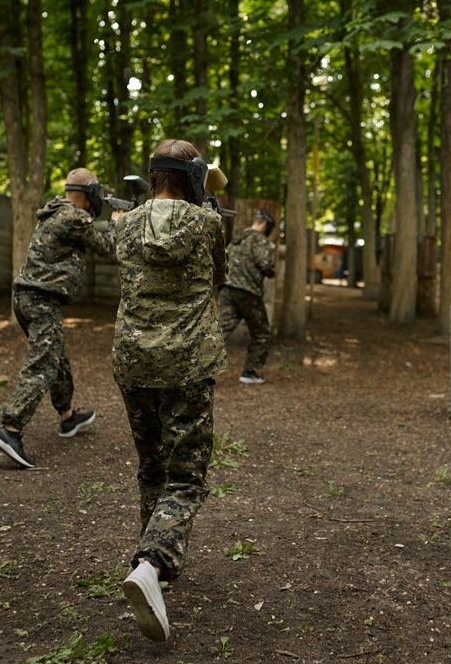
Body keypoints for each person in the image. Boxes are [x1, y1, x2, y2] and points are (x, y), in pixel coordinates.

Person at [113, 139, 228, 641]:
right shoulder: (207, 223)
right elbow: (218, 279)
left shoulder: (127, 223)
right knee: (186, 476)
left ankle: (151, 565)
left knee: (152, 465)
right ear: (193, 177)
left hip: (133, 358)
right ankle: (152, 564)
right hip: (187, 361)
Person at [0, 168, 115, 469]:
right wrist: (119, 223)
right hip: (40, 299)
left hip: (26, 298)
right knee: (43, 364)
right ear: (89, 194)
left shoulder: (55, 212)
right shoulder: (75, 217)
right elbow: (108, 247)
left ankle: (68, 417)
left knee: (56, 357)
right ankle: (11, 430)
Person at [219, 209, 277, 384]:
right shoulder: (261, 241)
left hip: (228, 290)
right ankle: (250, 372)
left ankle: (195, 368)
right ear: (266, 226)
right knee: (262, 334)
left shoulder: (238, 237)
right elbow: (266, 265)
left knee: (219, 332)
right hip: (248, 293)